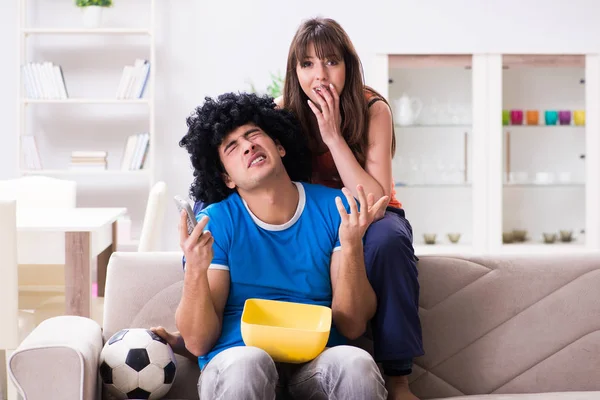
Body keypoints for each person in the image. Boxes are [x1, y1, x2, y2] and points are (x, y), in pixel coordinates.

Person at [155, 92, 388, 399]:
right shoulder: (216, 222)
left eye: (254, 135)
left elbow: (353, 324)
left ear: (279, 147)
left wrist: (352, 245)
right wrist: (195, 270)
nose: (248, 146)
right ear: (226, 178)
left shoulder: (334, 208)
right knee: (249, 363)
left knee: (356, 362)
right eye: (232, 147)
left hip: (315, 363)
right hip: (237, 358)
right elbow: (198, 343)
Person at [275, 17, 424, 400]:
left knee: (387, 242)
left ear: (348, 66)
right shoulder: (282, 112)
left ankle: (398, 378)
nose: (319, 75)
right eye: (307, 64)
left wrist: (332, 136)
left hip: (372, 214)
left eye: (330, 61)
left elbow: (373, 201)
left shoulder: (374, 109)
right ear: (294, 71)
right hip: (315, 217)